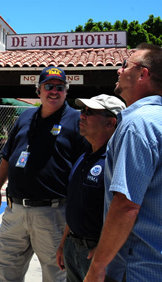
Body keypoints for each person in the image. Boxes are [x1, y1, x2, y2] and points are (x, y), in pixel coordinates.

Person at [0, 66, 89, 282]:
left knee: (56, 275)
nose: (54, 91)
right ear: (38, 90)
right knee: (5, 270)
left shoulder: (77, 121)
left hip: (53, 214)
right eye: (49, 86)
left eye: (60, 87)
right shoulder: (25, 117)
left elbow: (85, 169)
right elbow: (8, 155)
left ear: (66, 91)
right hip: (14, 210)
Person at [85, 44, 162, 282]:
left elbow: (126, 206)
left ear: (142, 74)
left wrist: (98, 266)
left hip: (136, 267)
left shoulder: (137, 124)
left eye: (125, 65)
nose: (119, 71)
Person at [56, 95, 125, 282]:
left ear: (110, 123)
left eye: (89, 112)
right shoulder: (84, 155)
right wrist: (64, 243)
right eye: (82, 111)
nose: (82, 116)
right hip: (73, 247)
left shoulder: (116, 160)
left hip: (95, 253)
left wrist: (103, 252)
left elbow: (124, 212)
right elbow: (76, 202)